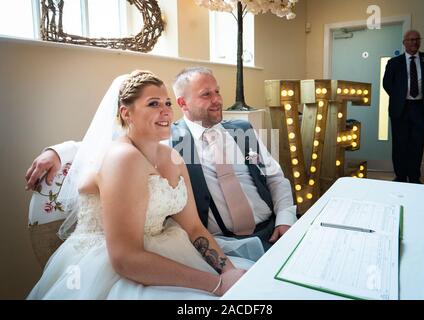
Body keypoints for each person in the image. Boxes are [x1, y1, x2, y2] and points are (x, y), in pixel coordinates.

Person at [28, 70, 254, 299]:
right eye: (153, 103)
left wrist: (229, 273)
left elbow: (195, 228)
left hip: (168, 250)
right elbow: (125, 259)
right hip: (115, 268)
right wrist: (217, 284)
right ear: (126, 113)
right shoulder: (122, 158)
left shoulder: (173, 157)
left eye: (167, 102)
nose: (166, 110)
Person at [26, 67, 297, 253]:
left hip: (275, 231)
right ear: (182, 103)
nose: (217, 100)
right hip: (223, 243)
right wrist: (60, 151)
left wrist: (285, 218)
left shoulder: (244, 130)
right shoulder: (167, 140)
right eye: (206, 95)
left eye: (217, 91)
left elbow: (276, 178)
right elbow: (111, 142)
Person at [383, 30, 424, 184]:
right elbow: (387, 84)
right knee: (399, 144)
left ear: (420, 41)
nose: (414, 42)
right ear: (404, 43)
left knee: (417, 143)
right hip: (400, 108)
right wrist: (400, 96)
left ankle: (414, 177)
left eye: (417, 39)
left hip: (421, 108)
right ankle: (400, 176)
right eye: (411, 40)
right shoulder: (394, 62)